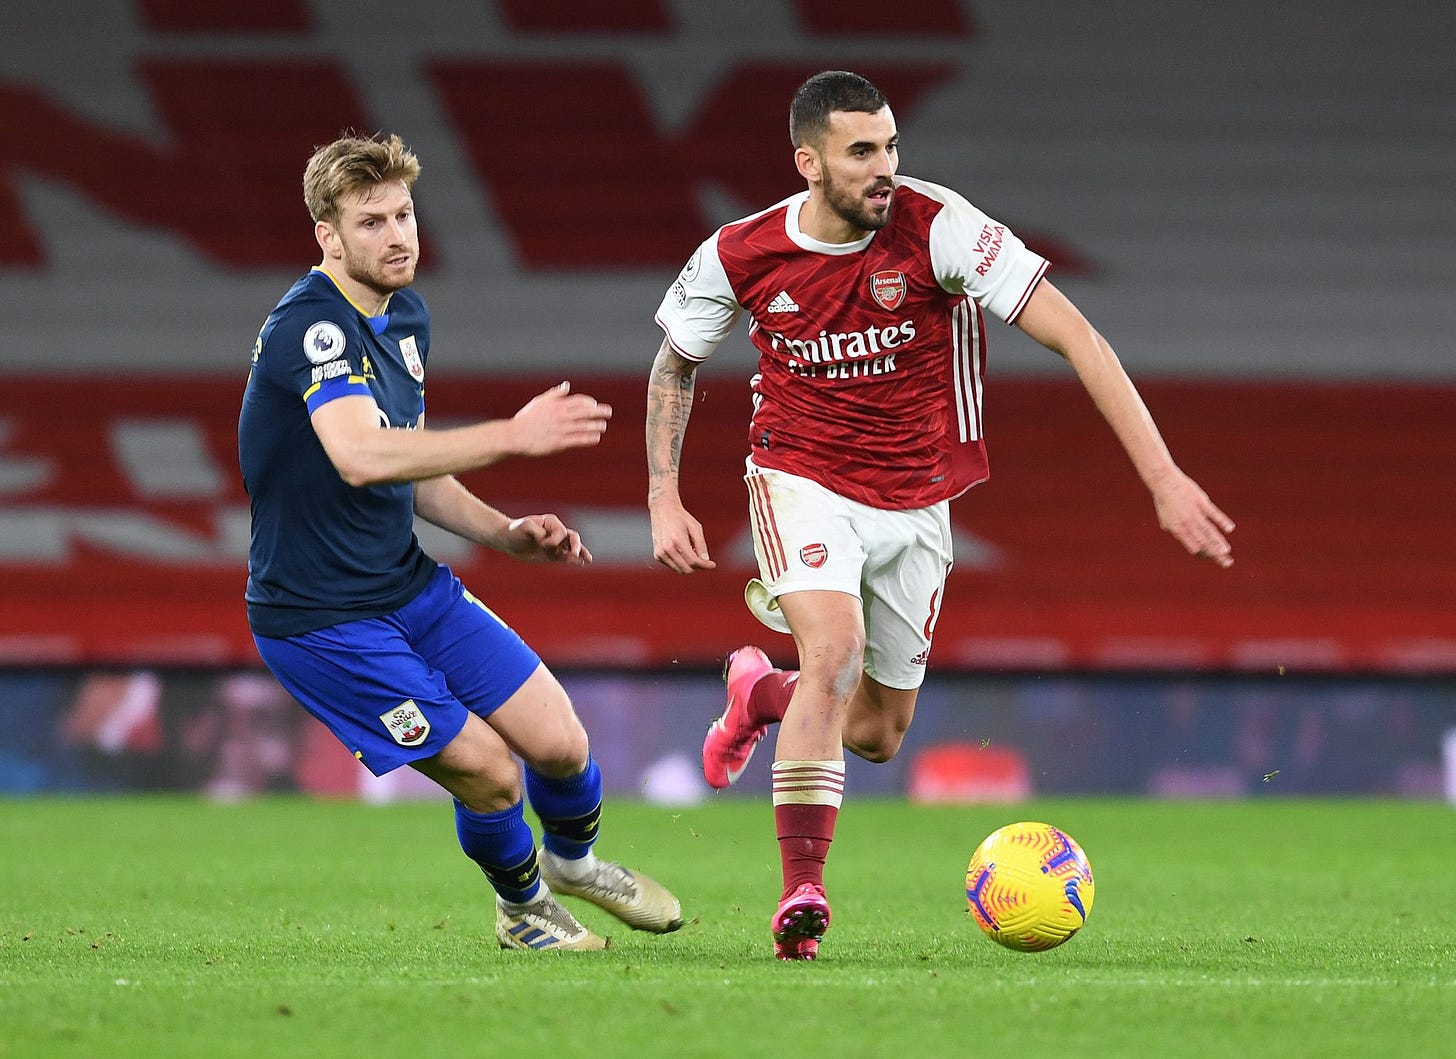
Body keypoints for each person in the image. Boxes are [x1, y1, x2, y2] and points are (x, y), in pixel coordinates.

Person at [645, 71, 1234, 960]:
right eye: (861, 153)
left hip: (918, 498)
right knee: (832, 651)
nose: (885, 169)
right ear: (807, 162)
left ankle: (759, 693)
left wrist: (1163, 476)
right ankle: (802, 890)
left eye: (891, 148)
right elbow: (673, 365)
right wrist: (663, 492)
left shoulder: (941, 228)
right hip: (797, 475)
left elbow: (1077, 333)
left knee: (878, 732)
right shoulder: (739, 253)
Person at [240, 131, 681, 952]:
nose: (397, 234)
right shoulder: (315, 328)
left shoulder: (404, 313)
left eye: (403, 213)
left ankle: (575, 866)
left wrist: (505, 533)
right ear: (327, 238)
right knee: (489, 770)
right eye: (369, 222)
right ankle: (523, 912)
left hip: (408, 586)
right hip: (322, 621)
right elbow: (362, 454)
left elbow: (409, 457)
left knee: (559, 742)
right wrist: (512, 436)